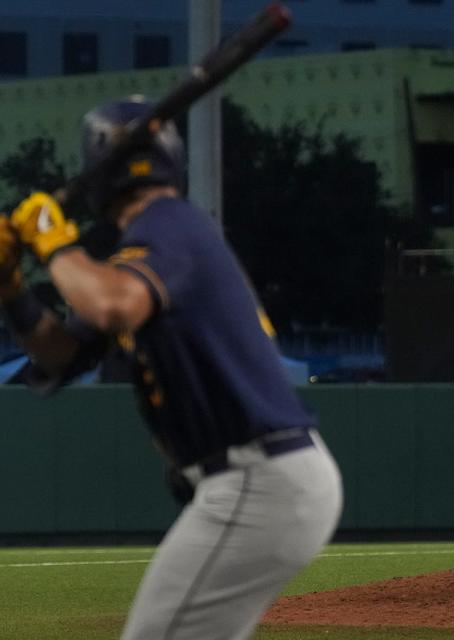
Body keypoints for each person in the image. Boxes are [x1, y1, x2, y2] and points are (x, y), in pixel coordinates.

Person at [0, 96, 343, 639]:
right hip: (258, 479)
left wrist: (52, 240)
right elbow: (61, 354)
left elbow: (111, 305)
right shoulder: (154, 247)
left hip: (259, 478)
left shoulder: (171, 226)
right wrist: (13, 291)